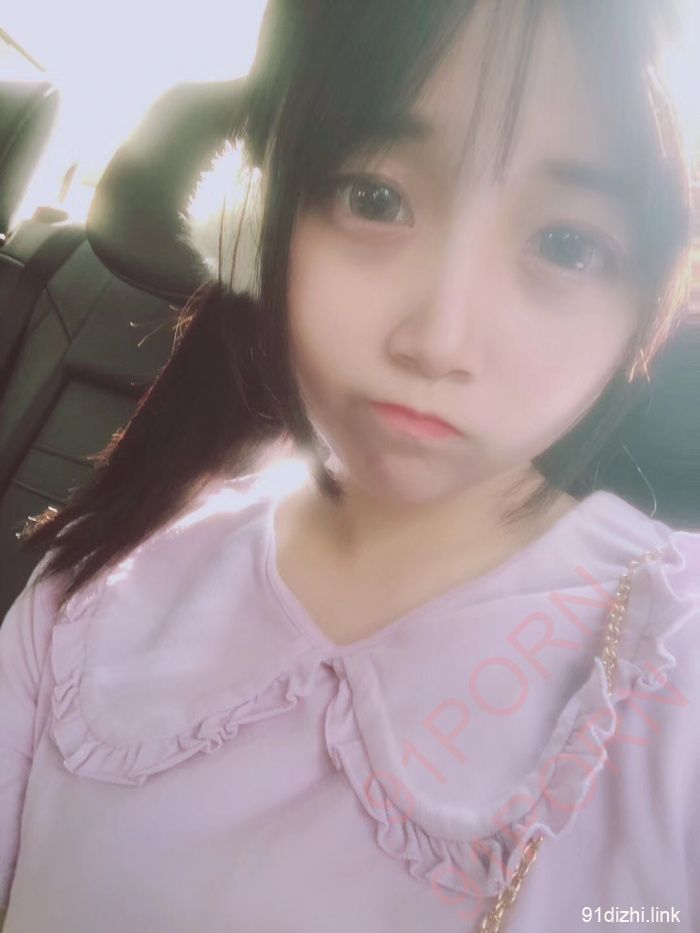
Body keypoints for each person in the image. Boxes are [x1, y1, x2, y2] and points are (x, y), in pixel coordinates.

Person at [1, 1, 698, 930]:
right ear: (256, 218)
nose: (439, 340)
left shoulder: (673, 660)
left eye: (567, 244)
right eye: (374, 198)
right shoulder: (90, 588)